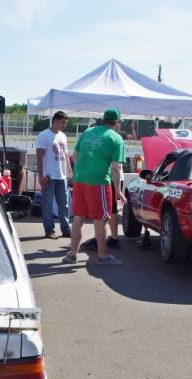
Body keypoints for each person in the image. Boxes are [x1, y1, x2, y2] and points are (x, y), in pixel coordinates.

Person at [63, 108, 125, 266]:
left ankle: (72, 254)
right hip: (98, 183)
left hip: (80, 180)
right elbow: (116, 167)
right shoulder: (116, 138)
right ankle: (103, 256)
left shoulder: (88, 131)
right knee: (100, 219)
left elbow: (75, 156)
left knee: (78, 218)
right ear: (116, 122)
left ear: (103, 119)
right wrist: (118, 191)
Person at [36, 111, 72, 239]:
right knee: (48, 204)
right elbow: (39, 158)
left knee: (64, 204)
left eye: (65, 123)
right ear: (55, 121)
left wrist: (69, 171)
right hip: (49, 176)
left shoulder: (63, 136)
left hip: (62, 176)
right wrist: (40, 176)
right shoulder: (44, 136)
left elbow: (65, 155)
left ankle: (66, 229)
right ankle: (49, 230)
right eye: (63, 122)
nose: (64, 125)